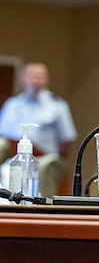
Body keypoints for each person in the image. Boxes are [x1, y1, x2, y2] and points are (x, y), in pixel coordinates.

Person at [0, 62, 77, 196]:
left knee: (41, 167)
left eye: (39, 76)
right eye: (31, 76)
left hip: (44, 158)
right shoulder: (11, 104)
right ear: (22, 79)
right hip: (12, 156)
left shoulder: (57, 105)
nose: (35, 80)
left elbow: (66, 142)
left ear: (47, 79)